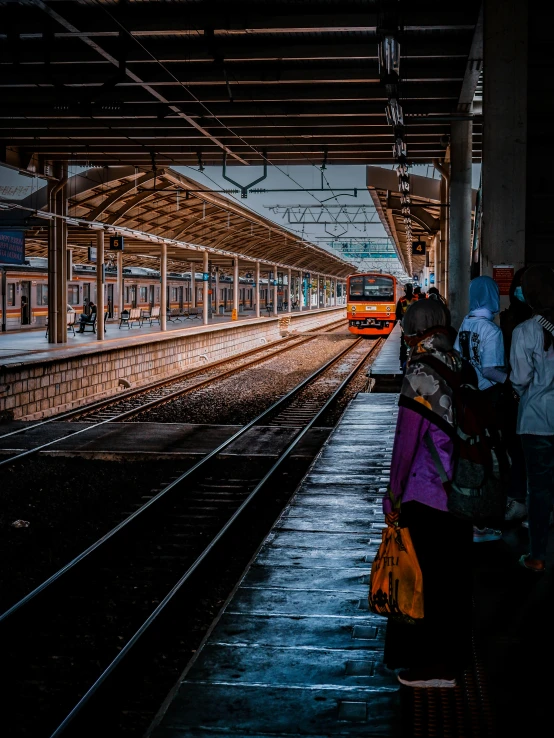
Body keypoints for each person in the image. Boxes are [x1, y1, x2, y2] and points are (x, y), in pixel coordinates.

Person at [383, 299, 473, 688]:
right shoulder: (458, 363)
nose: (403, 334)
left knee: (425, 581)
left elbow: (407, 440)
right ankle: (451, 659)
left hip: (427, 492)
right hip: (462, 487)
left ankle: (434, 666)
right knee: (452, 581)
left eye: (406, 328)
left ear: (417, 331)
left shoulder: (420, 372)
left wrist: (393, 494)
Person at [454, 275, 509, 543]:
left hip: (466, 398)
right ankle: (484, 521)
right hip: (488, 399)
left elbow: (458, 358)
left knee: (470, 456)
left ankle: (470, 520)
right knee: (490, 459)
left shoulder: (466, 323)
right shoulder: (492, 331)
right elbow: (490, 370)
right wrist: (513, 381)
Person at [510, 265, 554, 572]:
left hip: (536, 423)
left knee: (539, 491)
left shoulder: (525, 331)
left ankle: (537, 556)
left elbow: (520, 379)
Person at [499, 268, 533, 522]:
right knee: (519, 450)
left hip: (521, 396)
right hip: (518, 396)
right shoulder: (510, 319)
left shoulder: (515, 322)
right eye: (519, 284)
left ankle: (524, 500)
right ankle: (525, 499)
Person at [395, 283, 416, 371]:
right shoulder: (416, 299)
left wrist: (400, 319)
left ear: (405, 290)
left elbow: (397, 313)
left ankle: (402, 362)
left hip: (406, 324)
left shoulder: (401, 300)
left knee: (403, 344)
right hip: (414, 324)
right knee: (414, 342)